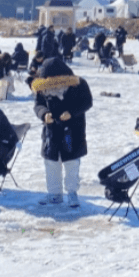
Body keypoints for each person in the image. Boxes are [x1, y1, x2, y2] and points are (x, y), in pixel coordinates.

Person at [32, 57, 93, 207]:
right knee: (51, 163)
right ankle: (54, 194)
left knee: (71, 163)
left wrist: (71, 113)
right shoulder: (43, 87)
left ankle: (72, 193)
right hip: (51, 132)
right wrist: (44, 114)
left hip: (72, 131)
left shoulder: (78, 84)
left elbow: (87, 102)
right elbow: (38, 105)